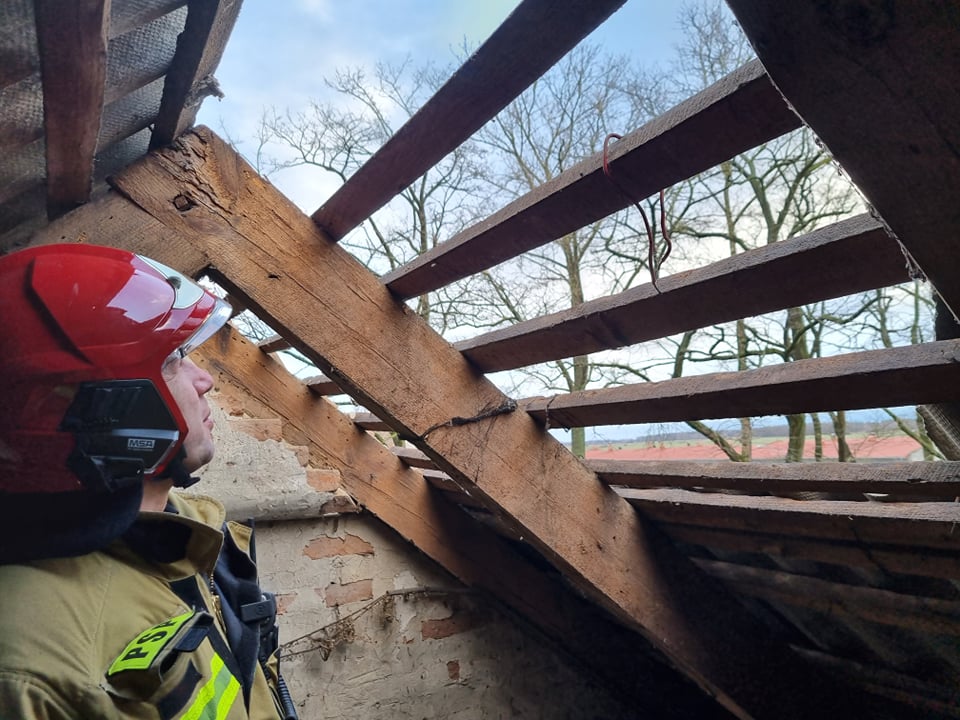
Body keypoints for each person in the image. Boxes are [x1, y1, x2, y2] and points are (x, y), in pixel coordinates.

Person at [0, 243, 296, 719]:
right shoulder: (28, 670)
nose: (205, 381)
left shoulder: (188, 532)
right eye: (174, 359)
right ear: (109, 408)